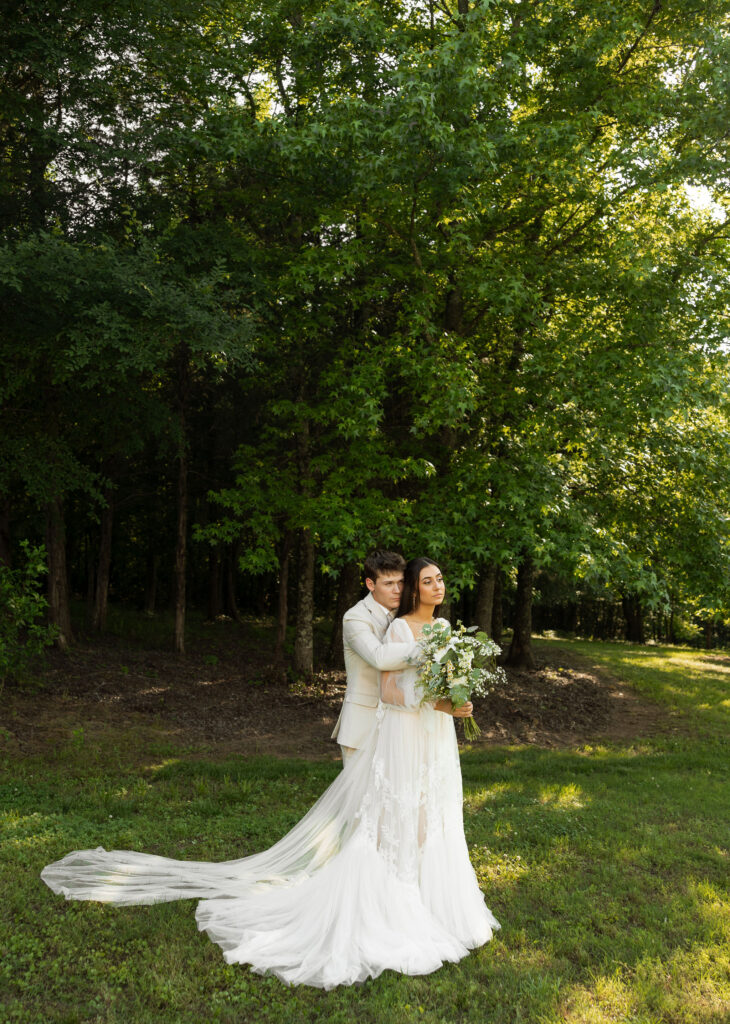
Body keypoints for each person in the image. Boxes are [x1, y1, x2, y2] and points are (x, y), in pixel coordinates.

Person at [41, 557, 500, 989]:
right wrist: (428, 669)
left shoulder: (443, 628)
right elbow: (386, 676)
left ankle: (431, 902)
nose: (422, 586)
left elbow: (435, 682)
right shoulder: (375, 622)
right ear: (374, 584)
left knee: (430, 816)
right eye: (414, 581)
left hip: (433, 737)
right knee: (379, 820)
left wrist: (452, 700)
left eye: (422, 580)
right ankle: (374, 904)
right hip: (389, 731)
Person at [331, 549, 422, 765]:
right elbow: (379, 657)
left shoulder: (406, 613)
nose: (398, 590)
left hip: (399, 722)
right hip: (363, 724)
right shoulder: (355, 617)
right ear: (371, 584)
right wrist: (428, 650)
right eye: (389, 584)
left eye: (401, 582)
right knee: (360, 798)